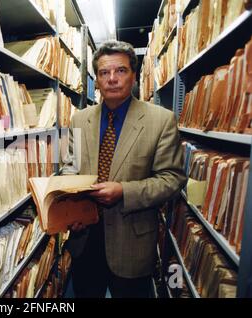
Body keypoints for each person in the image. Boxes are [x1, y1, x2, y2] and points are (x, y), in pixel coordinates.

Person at [62, 40, 187, 298]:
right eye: (104, 73)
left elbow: (172, 179)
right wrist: (69, 207)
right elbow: (69, 168)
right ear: (96, 80)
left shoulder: (161, 120)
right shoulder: (79, 119)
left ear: (134, 75)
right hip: (84, 238)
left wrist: (123, 191)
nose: (112, 79)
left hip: (132, 242)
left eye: (120, 71)